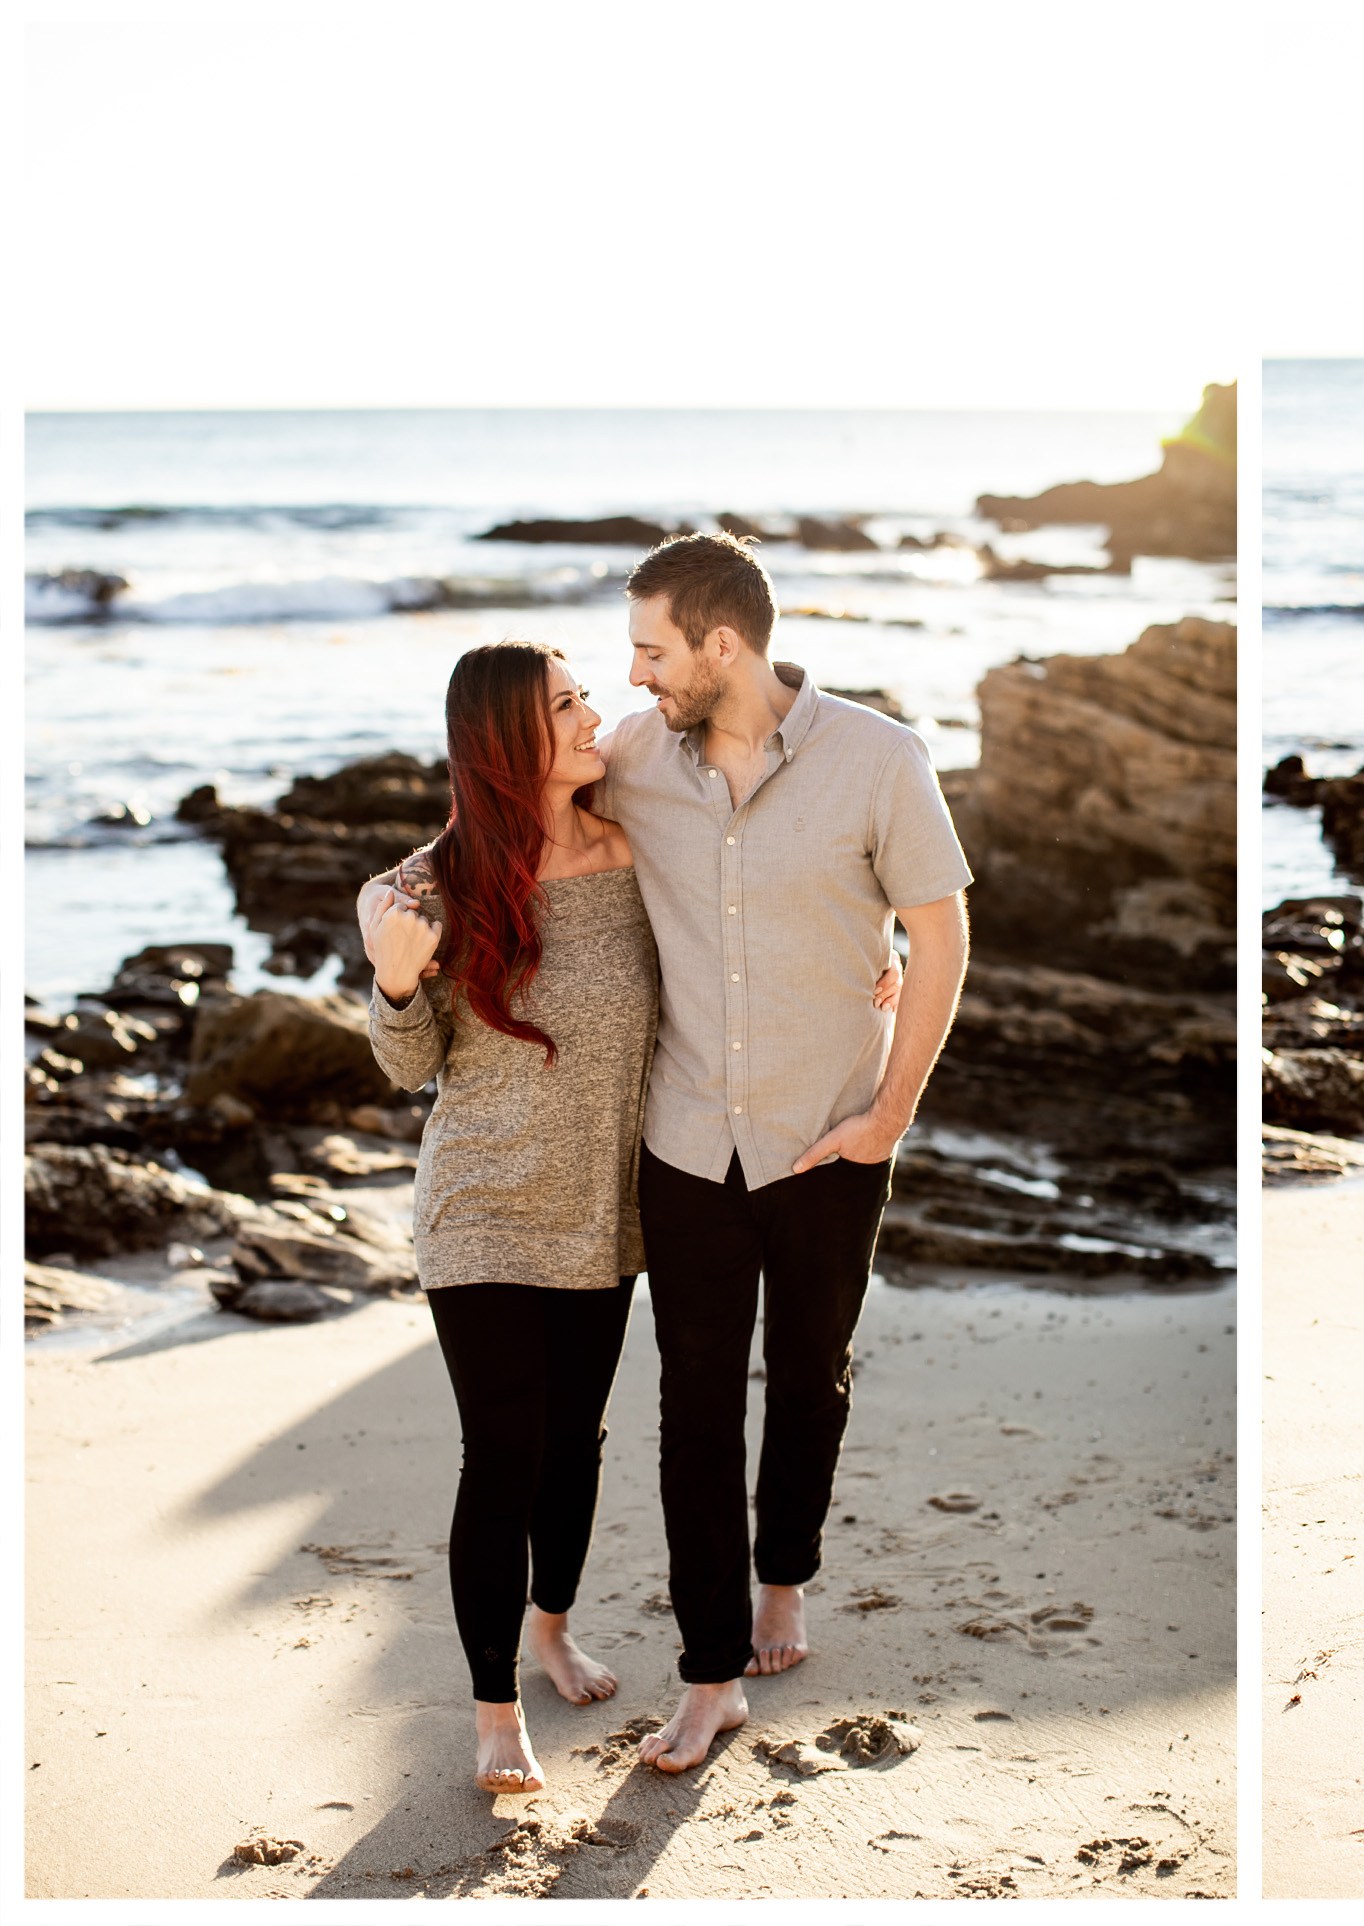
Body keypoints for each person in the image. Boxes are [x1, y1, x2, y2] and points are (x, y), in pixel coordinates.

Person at [598, 533, 973, 1774]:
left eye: (653, 649)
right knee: (692, 1409)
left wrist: (890, 1115)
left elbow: (938, 936)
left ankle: (786, 1581)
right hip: (687, 1140)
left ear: (722, 645)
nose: (636, 672)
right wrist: (403, 903)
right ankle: (709, 1677)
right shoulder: (630, 761)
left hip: (833, 1137)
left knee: (810, 1376)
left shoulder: (879, 759)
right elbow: (506, 820)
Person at [361, 641, 655, 1796]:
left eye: (587, 693)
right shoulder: (431, 887)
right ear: (505, 742)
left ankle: (551, 1627)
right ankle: (494, 1710)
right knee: (503, 1451)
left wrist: (862, 965)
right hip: (481, 1202)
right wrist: (391, 982)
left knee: (573, 1440)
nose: (596, 715)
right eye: (567, 704)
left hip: (604, 1202)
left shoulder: (637, 846)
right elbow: (408, 1066)